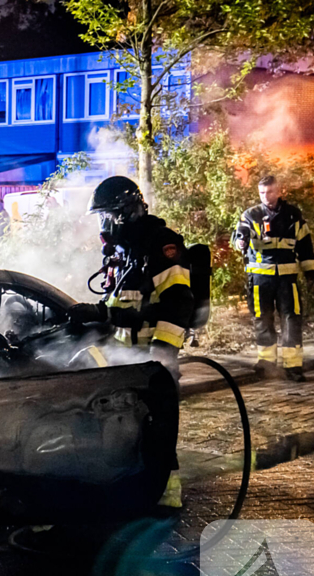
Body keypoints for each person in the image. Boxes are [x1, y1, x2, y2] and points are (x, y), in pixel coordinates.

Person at [68, 175, 194, 508]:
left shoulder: (162, 246)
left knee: (157, 424)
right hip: (124, 355)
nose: (103, 225)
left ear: (124, 213)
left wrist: (163, 354)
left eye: (106, 216)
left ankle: (168, 494)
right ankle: (132, 489)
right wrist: (94, 319)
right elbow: (119, 306)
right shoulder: (122, 252)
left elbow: (178, 302)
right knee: (126, 425)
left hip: (152, 354)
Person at [231, 175, 314, 382]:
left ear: (279, 191)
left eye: (269, 192)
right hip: (261, 280)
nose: (265, 196)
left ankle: (293, 366)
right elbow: (239, 235)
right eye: (261, 192)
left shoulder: (293, 215)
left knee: (292, 319)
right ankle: (266, 363)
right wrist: (241, 241)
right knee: (263, 319)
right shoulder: (251, 215)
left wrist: (310, 273)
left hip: (288, 279)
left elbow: (305, 245)